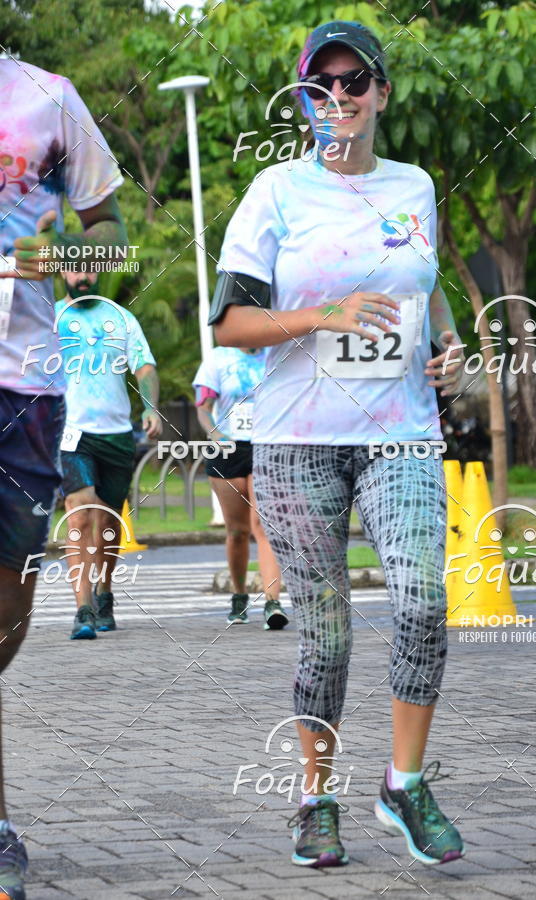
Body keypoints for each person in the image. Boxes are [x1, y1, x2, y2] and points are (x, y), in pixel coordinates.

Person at [210, 21, 467, 870]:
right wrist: (322, 315)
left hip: (401, 436)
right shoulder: (275, 193)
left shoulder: (417, 186)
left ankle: (405, 781)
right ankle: (317, 801)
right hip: (297, 439)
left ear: (381, 94)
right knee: (327, 639)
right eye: (321, 88)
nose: (339, 99)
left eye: (354, 82)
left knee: (424, 603)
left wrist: (449, 346)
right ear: (306, 103)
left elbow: (423, 291)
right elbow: (234, 324)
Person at [0, 57, 126, 898]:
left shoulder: (47, 97)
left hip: (27, 382)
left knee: (8, 608)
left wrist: (68, 259)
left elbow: (108, 228)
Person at [56, 270, 162, 640]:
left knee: (108, 523)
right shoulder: (51, 319)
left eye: (89, 268)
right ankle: (83, 609)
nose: (82, 276)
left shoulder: (120, 318)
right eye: (75, 268)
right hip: (71, 433)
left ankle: (105, 592)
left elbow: (145, 366)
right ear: (62, 272)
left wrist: (150, 407)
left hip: (117, 434)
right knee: (80, 513)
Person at [194, 346, 288, 630]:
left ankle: (273, 602)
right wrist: (216, 434)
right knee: (237, 531)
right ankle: (239, 595)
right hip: (227, 449)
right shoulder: (219, 358)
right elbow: (203, 407)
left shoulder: (276, 353)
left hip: (266, 445)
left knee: (264, 524)